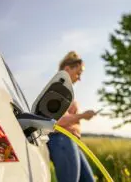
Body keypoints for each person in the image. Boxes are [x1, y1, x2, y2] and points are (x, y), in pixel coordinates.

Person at [47, 51, 96, 182]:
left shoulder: (65, 90)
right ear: (67, 69)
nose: (79, 78)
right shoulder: (58, 88)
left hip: (69, 141)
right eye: (78, 73)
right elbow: (57, 120)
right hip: (62, 139)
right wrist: (83, 116)